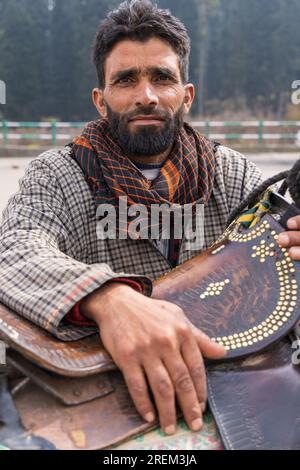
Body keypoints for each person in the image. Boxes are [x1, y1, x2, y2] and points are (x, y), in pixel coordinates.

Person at [0, 0, 299, 437]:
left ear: (187, 95)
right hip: (102, 384)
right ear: (101, 101)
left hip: (221, 374)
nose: (147, 96)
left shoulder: (231, 173)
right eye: (126, 80)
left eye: (162, 77)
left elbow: (272, 247)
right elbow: (14, 247)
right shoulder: (58, 174)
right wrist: (108, 298)